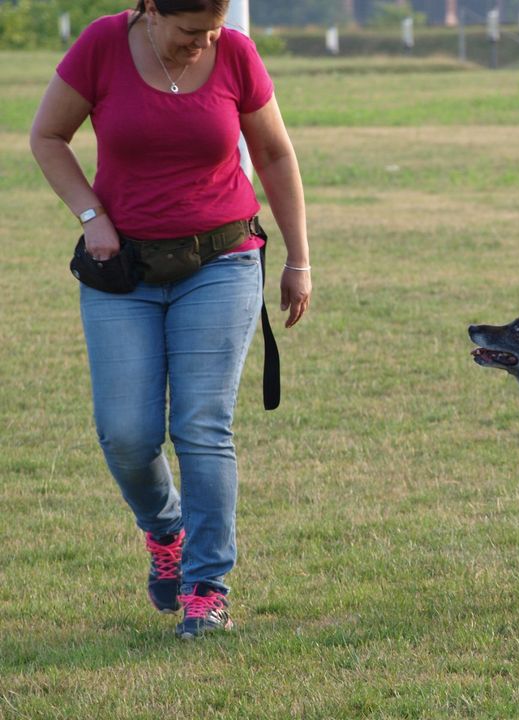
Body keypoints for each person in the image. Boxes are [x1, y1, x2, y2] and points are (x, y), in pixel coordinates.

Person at [30, 0, 311, 639]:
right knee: (126, 433)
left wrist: (300, 257)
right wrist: (90, 216)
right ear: (151, 11)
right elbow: (47, 137)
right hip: (122, 269)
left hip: (222, 258)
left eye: (212, 30)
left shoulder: (235, 53)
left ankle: (206, 587)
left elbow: (273, 154)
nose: (202, 43)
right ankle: (166, 531)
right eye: (190, 31)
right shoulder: (103, 45)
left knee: (201, 424)